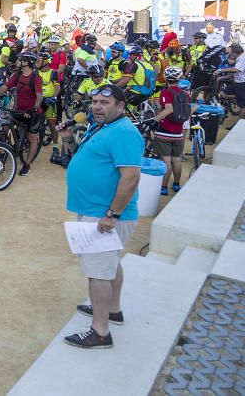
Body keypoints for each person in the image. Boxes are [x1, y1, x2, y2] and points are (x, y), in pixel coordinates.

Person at [63, 83, 142, 349]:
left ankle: (100, 331)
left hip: (104, 215)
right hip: (95, 210)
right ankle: (113, 310)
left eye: (104, 103)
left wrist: (112, 214)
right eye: (95, 101)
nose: (97, 106)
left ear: (120, 106)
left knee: (98, 272)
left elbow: (130, 178)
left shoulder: (124, 133)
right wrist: (67, 139)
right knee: (109, 264)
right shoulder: (104, 127)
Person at [0, 53, 43, 176]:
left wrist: (33, 109)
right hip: (18, 110)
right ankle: (5, 148)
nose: (17, 61)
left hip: (32, 112)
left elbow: (39, 96)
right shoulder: (17, 75)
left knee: (32, 138)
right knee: (5, 126)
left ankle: (27, 164)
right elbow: (5, 87)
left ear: (27, 62)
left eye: (20, 60)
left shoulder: (35, 77)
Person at [154, 67, 190, 195]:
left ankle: (163, 187)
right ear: (179, 79)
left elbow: (169, 109)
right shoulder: (185, 94)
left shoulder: (166, 92)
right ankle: (176, 184)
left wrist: (155, 119)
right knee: (176, 159)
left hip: (165, 131)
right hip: (178, 133)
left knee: (166, 160)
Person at [214, 43, 245, 119]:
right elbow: (236, 73)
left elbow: (236, 70)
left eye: (231, 51)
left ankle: (239, 123)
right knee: (222, 93)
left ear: (235, 52)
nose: (230, 53)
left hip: (242, 84)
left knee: (242, 105)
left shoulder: (242, 59)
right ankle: (238, 97)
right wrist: (224, 76)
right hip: (237, 83)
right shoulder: (239, 58)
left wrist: (221, 70)